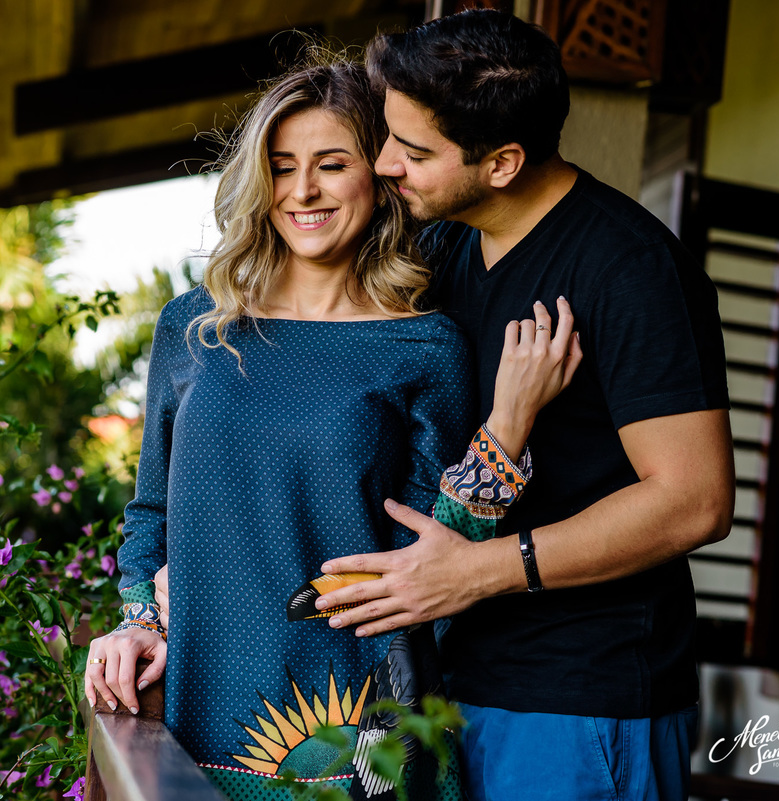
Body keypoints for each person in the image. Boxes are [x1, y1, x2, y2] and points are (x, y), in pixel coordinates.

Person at [83, 55, 579, 801]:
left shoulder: (425, 346)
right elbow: (151, 514)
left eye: (330, 164)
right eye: (281, 167)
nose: (303, 190)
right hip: (188, 716)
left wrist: (505, 432)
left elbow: (434, 557)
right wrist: (137, 621)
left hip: (347, 737)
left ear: (377, 177)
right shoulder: (194, 328)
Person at [311, 10, 736, 801]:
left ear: (503, 161)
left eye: (415, 150)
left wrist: (474, 572)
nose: (385, 164)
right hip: (436, 675)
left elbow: (695, 501)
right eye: (388, 137)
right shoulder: (444, 244)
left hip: (578, 698)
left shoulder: (631, 269)